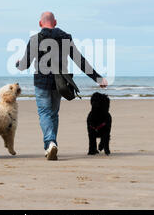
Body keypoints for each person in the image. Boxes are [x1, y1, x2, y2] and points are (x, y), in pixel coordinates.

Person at [16, 11, 108, 160]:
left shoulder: (35, 39)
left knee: (45, 113)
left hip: (41, 82)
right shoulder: (65, 37)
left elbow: (24, 65)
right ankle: (52, 144)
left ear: (40, 23)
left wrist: (18, 63)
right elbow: (79, 60)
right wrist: (97, 78)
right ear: (56, 22)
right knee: (53, 114)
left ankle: (50, 143)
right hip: (60, 83)